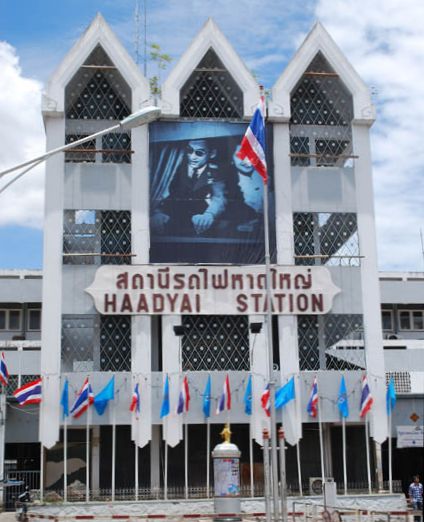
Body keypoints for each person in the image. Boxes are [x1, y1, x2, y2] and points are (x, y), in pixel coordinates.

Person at [151, 139, 226, 235]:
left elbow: (219, 197)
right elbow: (164, 193)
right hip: (171, 222)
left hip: (200, 226)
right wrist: (157, 212)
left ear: (212, 153)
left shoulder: (216, 172)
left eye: (199, 153)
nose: (192, 157)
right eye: (189, 151)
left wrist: (209, 214)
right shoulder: (172, 168)